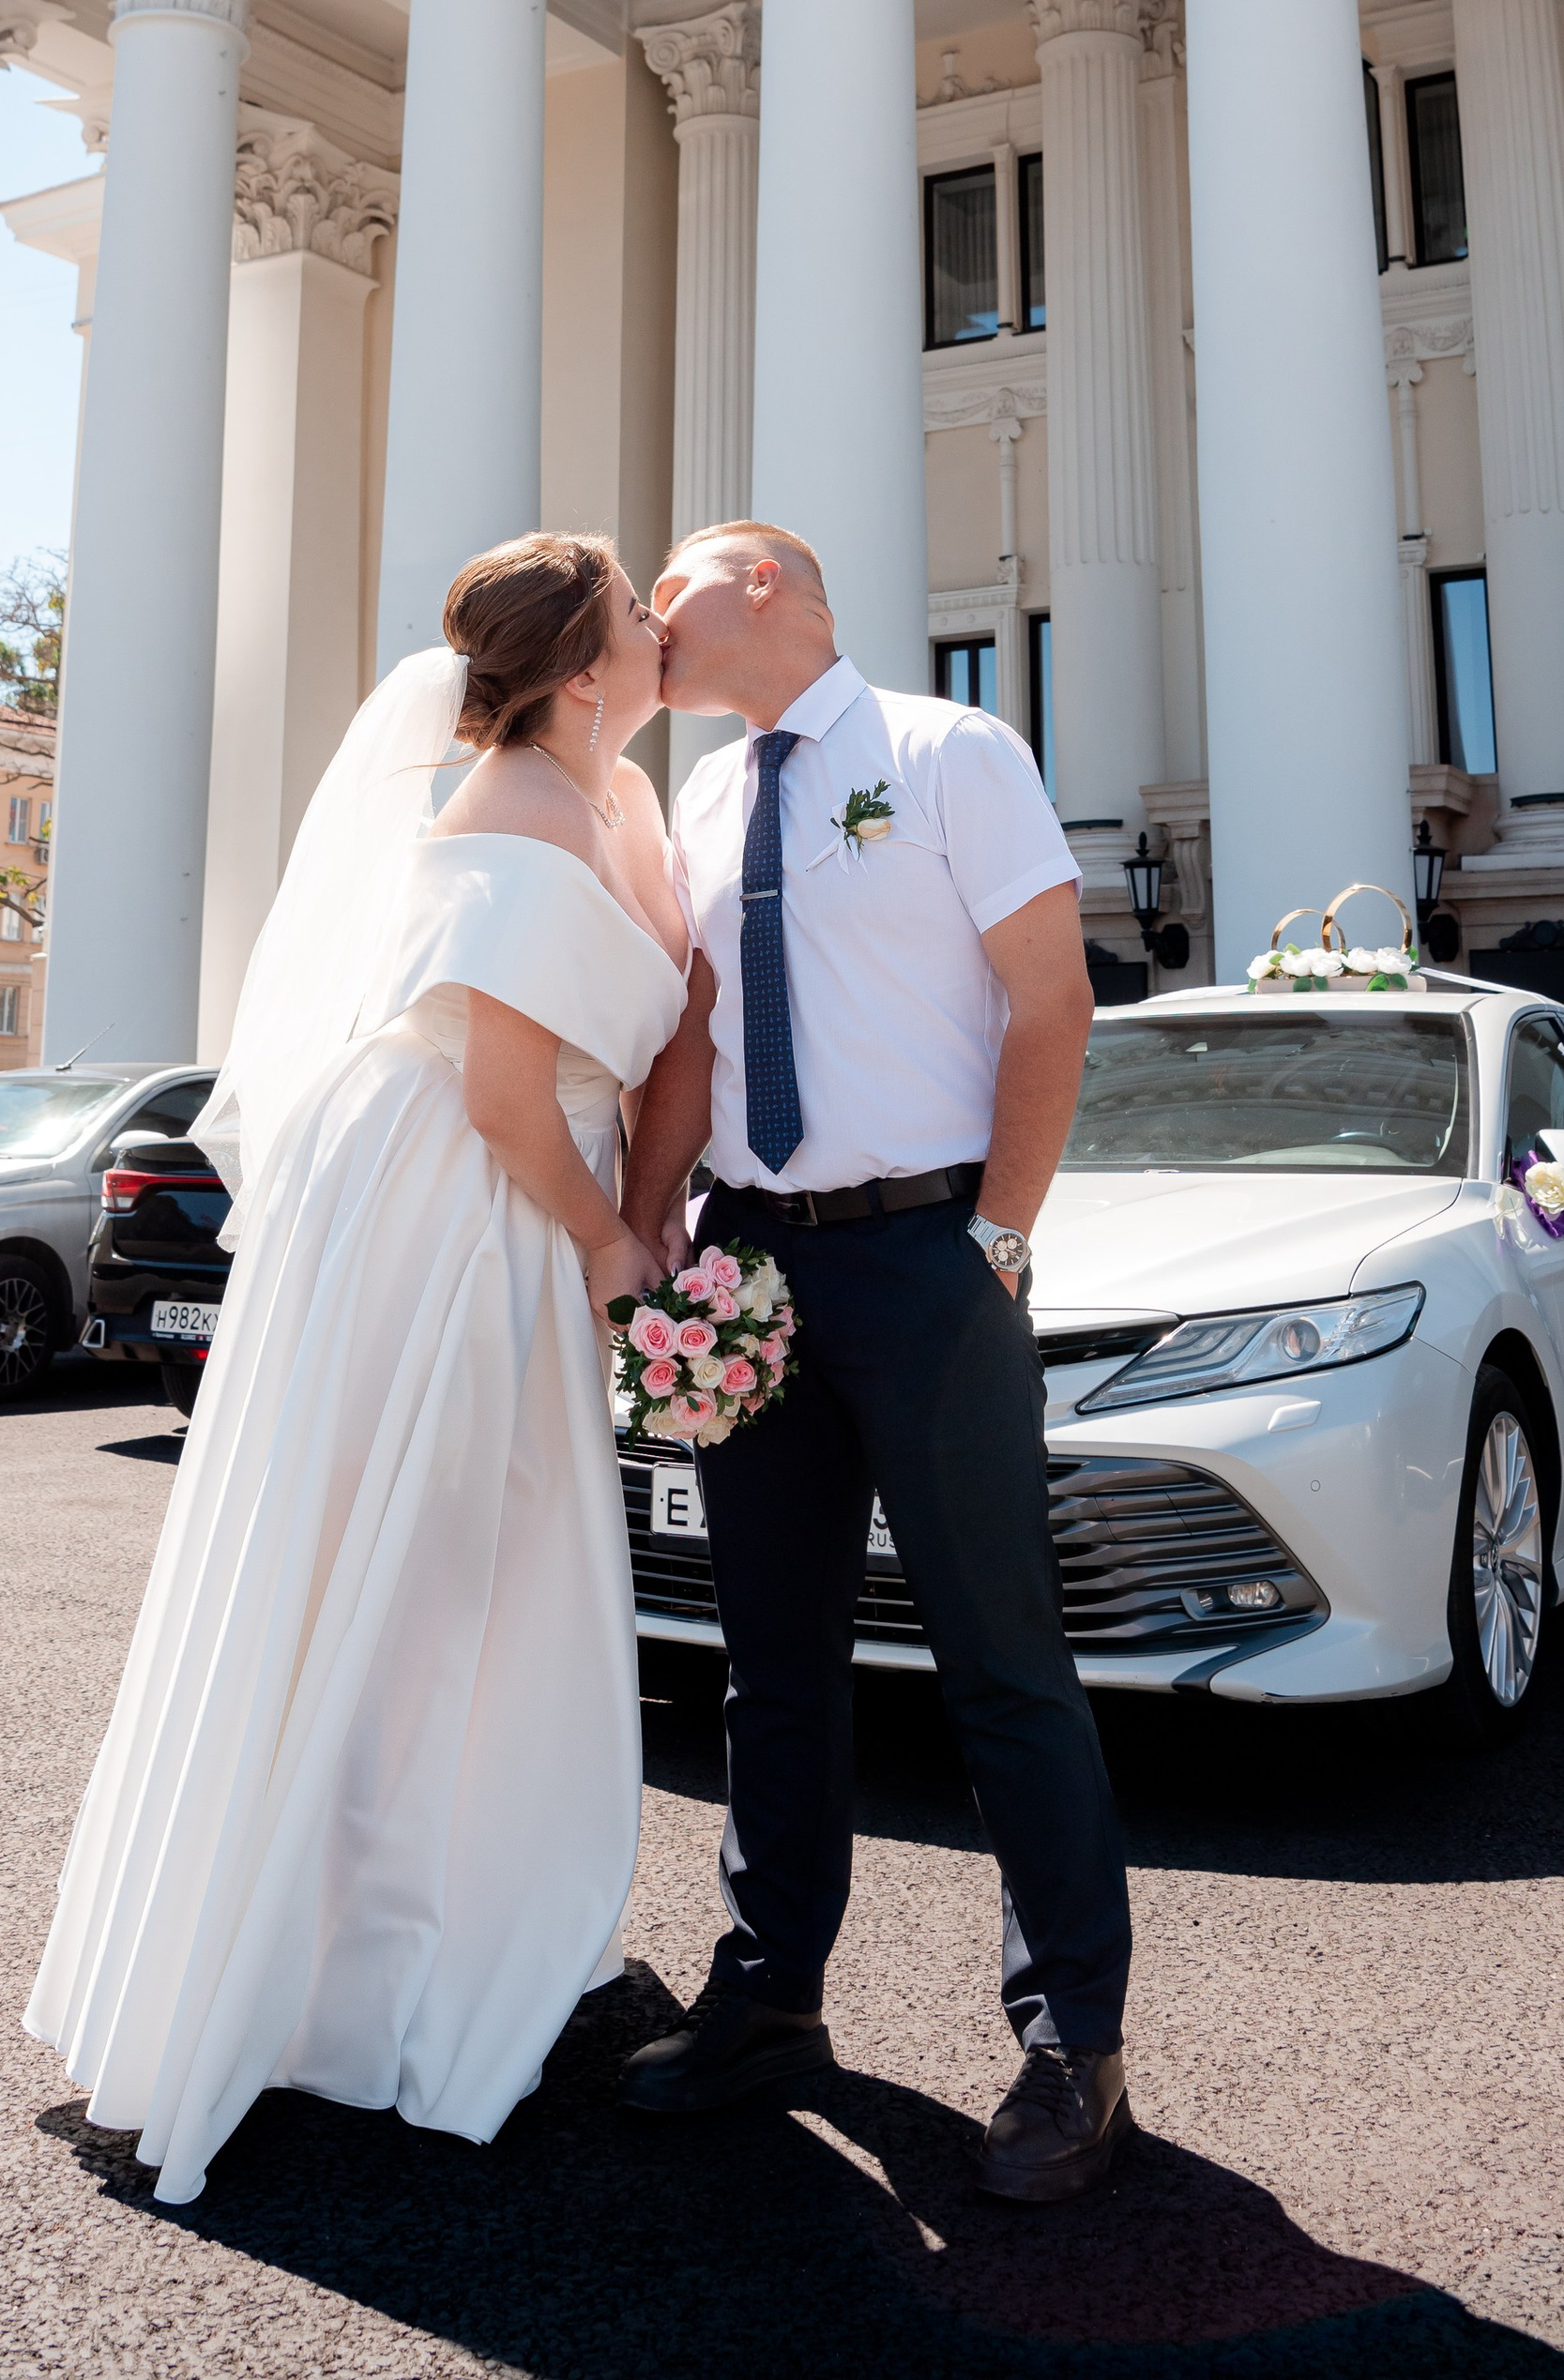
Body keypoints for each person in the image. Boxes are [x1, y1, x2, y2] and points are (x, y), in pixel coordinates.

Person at [24, 535, 686, 2204]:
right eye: (636, 614)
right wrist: (614, 1243)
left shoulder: (606, 798)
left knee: (460, 1573)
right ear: (585, 670)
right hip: (462, 1209)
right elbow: (504, 1095)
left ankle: (415, 1923)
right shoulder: (521, 812)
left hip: (498, 1193)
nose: (663, 627)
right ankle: (344, 1971)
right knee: (424, 1568)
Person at [618, 520, 1133, 2203]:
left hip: (928, 1257)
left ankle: (1073, 2045)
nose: (644, 623)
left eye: (666, 591)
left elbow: (1049, 1001)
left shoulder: (947, 751)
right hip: (754, 1267)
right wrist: (650, 1237)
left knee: (1000, 1662)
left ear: (764, 580)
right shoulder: (700, 801)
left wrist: (993, 1238)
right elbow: (695, 1039)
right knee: (770, 1660)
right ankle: (772, 1999)